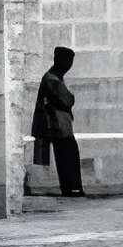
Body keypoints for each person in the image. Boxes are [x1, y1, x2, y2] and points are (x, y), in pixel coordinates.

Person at [32, 45, 85, 196]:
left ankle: (71, 188)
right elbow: (67, 100)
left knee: (66, 157)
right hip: (58, 126)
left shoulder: (53, 78)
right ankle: (72, 188)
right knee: (68, 157)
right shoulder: (52, 80)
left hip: (59, 126)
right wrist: (71, 97)